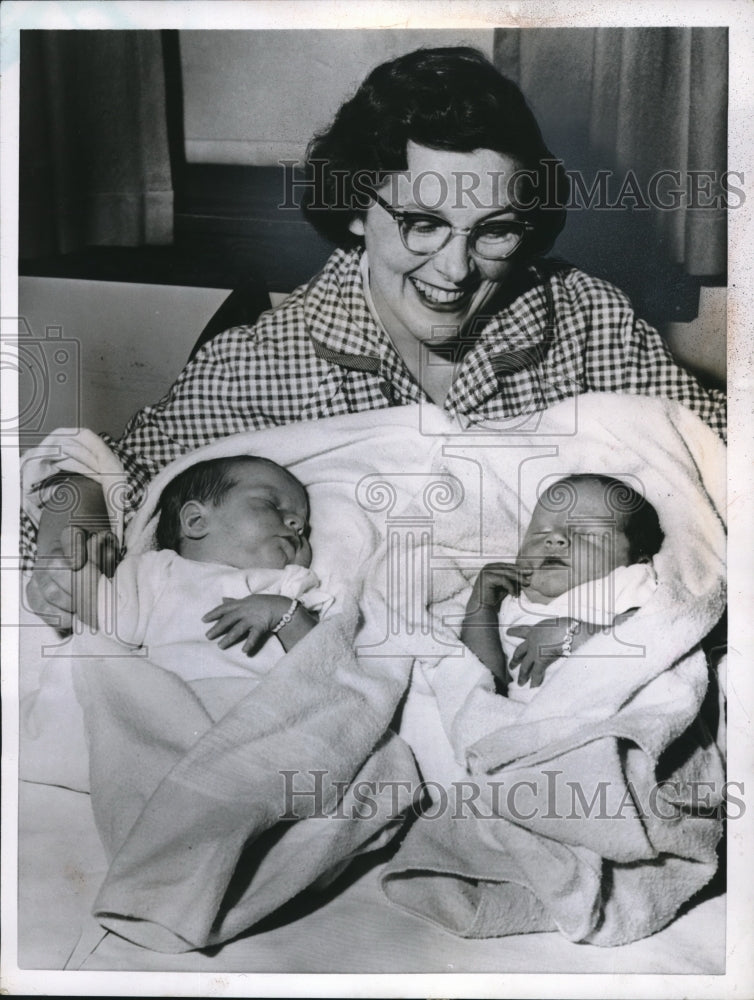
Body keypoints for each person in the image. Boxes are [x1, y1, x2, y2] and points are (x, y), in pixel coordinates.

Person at [25, 46, 724, 630]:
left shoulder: (583, 319)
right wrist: (70, 515)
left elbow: (711, 451)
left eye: (496, 231)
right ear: (357, 207)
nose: (455, 269)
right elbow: (120, 473)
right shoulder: (269, 361)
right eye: (422, 223)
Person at [88, 455, 332, 687]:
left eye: (304, 527)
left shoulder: (288, 584)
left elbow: (327, 665)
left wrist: (283, 613)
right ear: (196, 520)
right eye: (272, 505)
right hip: (164, 702)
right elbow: (111, 630)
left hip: (258, 706)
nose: (298, 524)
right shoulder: (157, 570)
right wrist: (86, 571)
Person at [460, 474, 664, 699]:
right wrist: (481, 608)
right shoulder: (513, 599)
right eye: (540, 533)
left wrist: (570, 635)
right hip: (522, 723)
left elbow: (651, 638)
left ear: (639, 560)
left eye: (586, 533)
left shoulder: (627, 580)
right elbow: (482, 682)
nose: (555, 538)